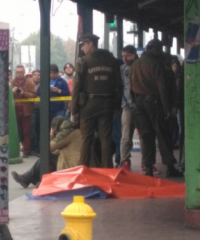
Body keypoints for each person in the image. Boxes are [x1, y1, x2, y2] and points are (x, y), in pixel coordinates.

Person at [130, 39, 181, 177]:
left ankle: (148, 168)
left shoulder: (135, 64)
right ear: (153, 49)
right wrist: (167, 109)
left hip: (139, 104)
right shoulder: (155, 63)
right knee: (163, 136)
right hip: (154, 103)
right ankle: (170, 167)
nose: (160, 52)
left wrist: (136, 103)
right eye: (159, 49)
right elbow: (162, 87)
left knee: (146, 136)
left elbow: (130, 88)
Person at [72, 33, 122, 168]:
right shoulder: (111, 60)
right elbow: (119, 84)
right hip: (107, 104)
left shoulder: (83, 61)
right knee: (106, 138)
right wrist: (117, 105)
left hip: (88, 105)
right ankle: (107, 169)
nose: (82, 49)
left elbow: (77, 86)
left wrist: (74, 109)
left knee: (86, 138)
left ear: (90, 44)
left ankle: (83, 168)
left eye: (83, 45)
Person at [11, 117, 82, 188]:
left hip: (72, 165)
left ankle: (28, 179)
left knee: (46, 158)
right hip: (73, 162)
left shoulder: (66, 133)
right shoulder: (72, 130)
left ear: (55, 129)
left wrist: (51, 135)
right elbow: (55, 151)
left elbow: (48, 147)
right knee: (46, 159)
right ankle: (29, 178)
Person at [10, 65, 36, 158]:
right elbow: (6, 95)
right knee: (16, 132)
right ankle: (15, 151)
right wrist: (11, 92)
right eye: (17, 72)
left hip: (26, 111)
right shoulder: (12, 82)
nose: (19, 74)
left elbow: (33, 96)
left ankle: (26, 151)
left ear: (24, 72)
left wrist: (23, 93)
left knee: (26, 132)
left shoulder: (29, 82)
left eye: (21, 72)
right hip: (14, 110)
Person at [30, 70, 41, 156]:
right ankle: (32, 148)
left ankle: (38, 149)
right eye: (35, 75)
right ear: (32, 76)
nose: (37, 76)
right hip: (32, 110)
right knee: (33, 130)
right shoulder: (29, 85)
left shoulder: (42, 85)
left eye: (38, 75)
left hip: (41, 110)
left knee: (39, 130)